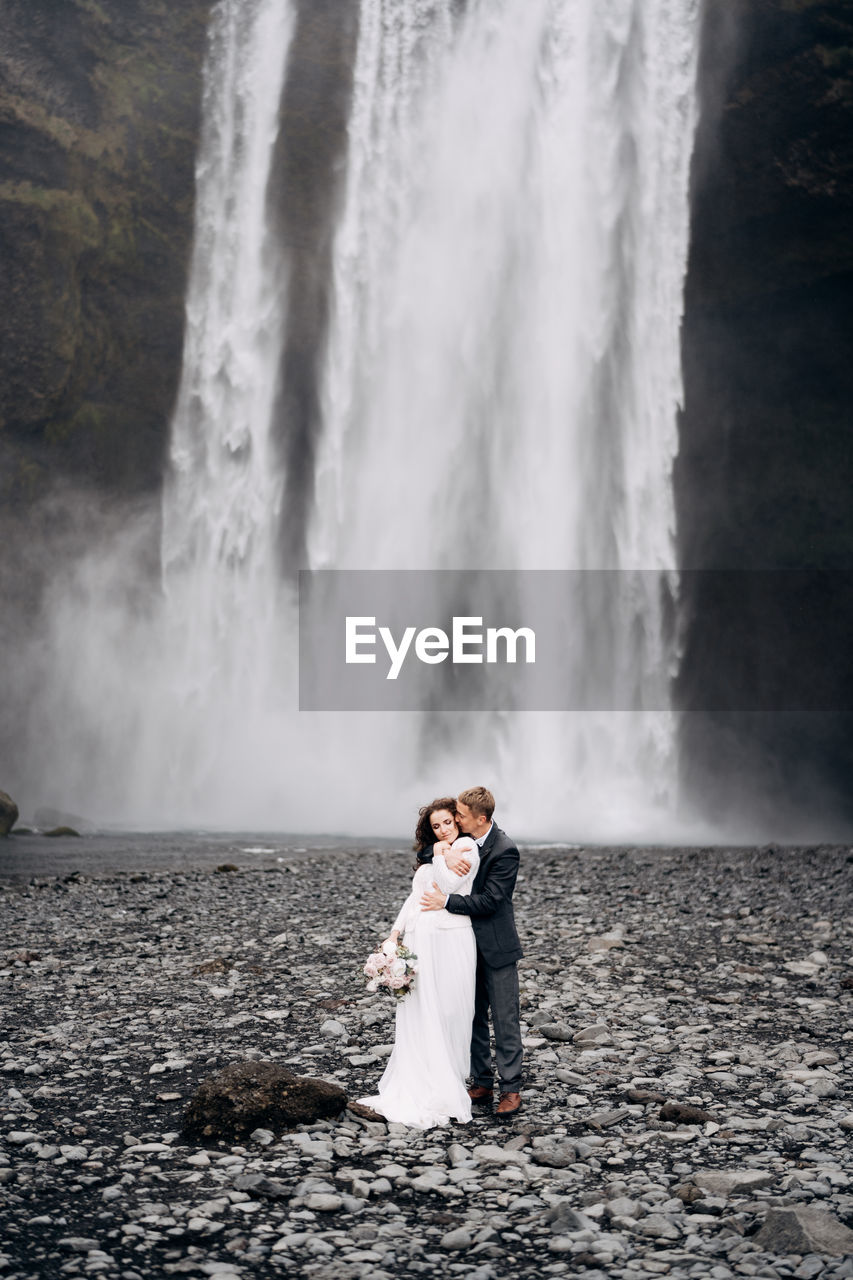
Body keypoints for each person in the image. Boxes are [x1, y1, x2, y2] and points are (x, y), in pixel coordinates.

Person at [358, 798, 481, 1128]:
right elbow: (415, 898)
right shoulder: (436, 854)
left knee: (451, 1009)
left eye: (447, 823)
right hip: (420, 938)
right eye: (436, 826)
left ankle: (449, 1082)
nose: (442, 830)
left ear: (458, 822)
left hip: (451, 938)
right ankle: (422, 1079)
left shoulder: (467, 846)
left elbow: (450, 885)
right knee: (420, 1009)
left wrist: (440, 853)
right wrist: (394, 935)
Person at [420, 786, 524, 1117]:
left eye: (461, 816)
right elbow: (424, 853)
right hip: (463, 944)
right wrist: (443, 851)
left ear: (481, 819)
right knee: (472, 1015)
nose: (456, 819)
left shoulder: (505, 850)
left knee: (505, 1019)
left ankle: (511, 1089)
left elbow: (493, 901)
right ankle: (481, 1080)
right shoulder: (457, 842)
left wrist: (447, 901)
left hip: (496, 945)